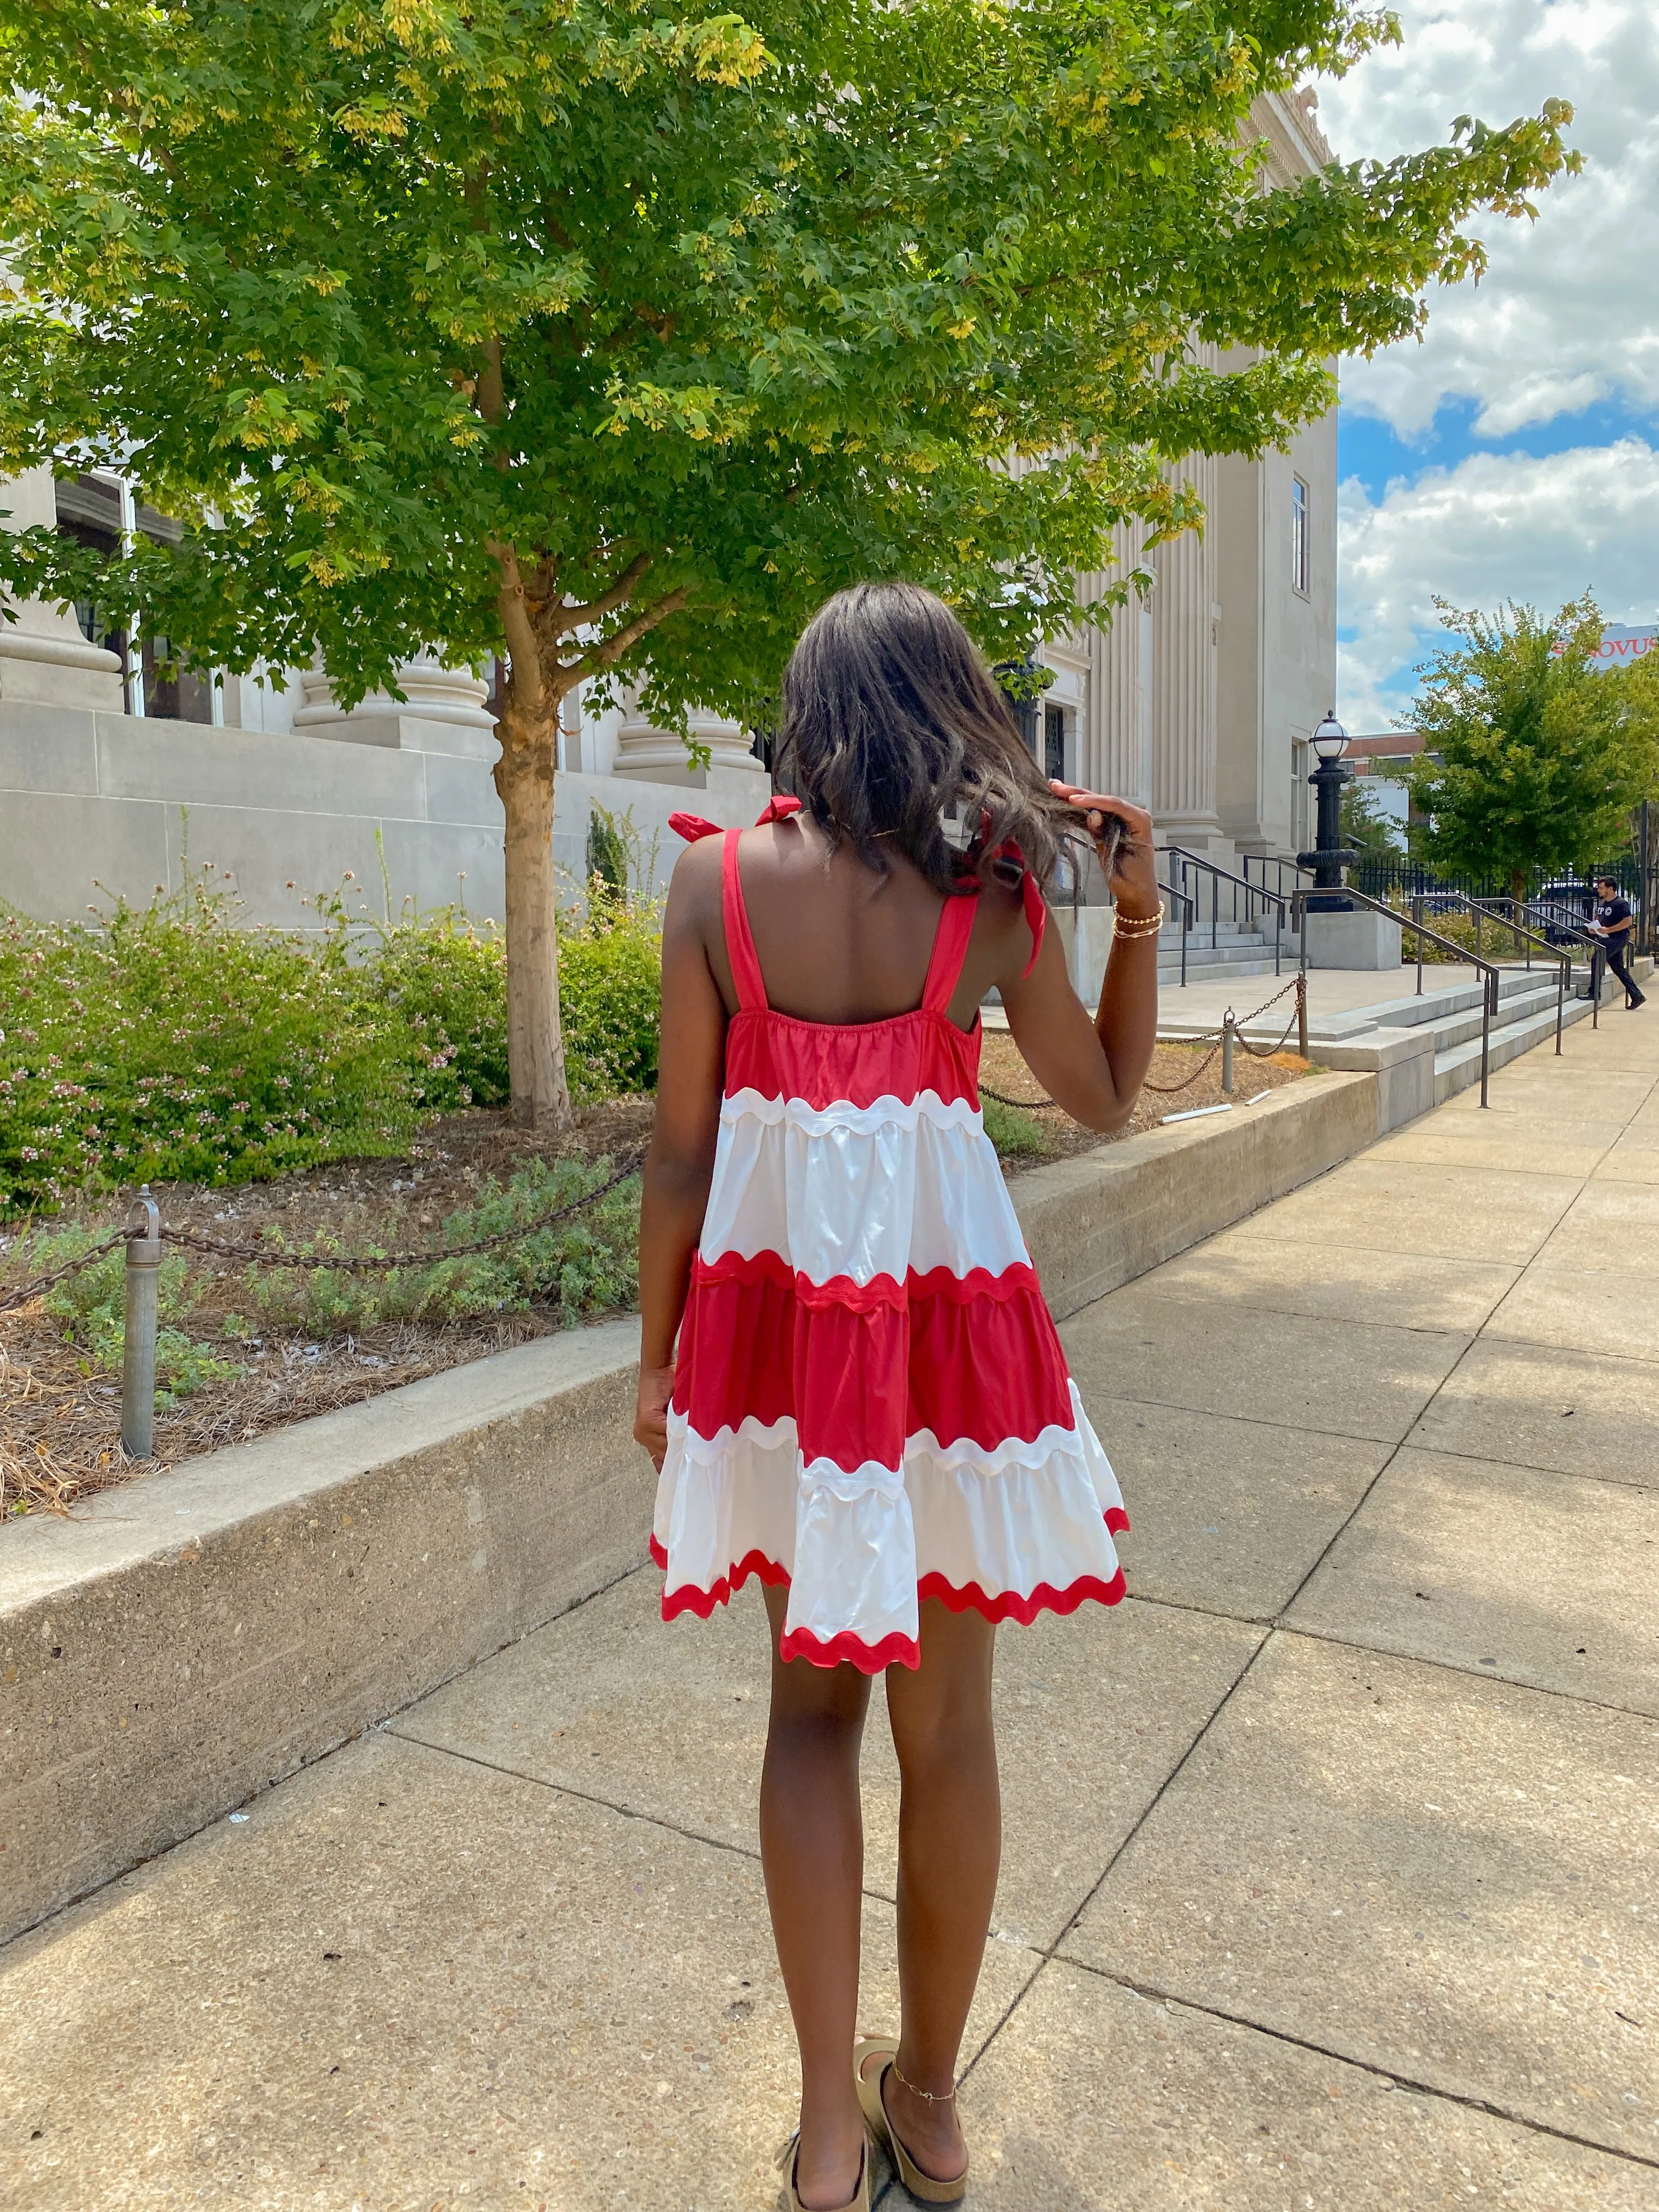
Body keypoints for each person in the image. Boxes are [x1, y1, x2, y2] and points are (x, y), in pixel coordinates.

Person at [633, 581, 1160, 2212]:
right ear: (952, 709)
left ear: (806, 707)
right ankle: (926, 2108)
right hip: (945, 1359)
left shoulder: (713, 888)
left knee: (806, 1719)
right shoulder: (992, 895)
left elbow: (678, 1150)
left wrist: (656, 1362)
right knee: (952, 1735)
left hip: (785, 1349)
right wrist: (1131, 912)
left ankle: (823, 2134)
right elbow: (1108, 1103)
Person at [1590, 875, 1645, 1009]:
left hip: (1617, 938)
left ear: (1611, 888)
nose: (1599, 890)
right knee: (1619, 969)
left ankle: (1594, 992)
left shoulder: (1620, 903)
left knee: (1597, 959)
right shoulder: (1602, 903)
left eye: (1601, 888)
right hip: (1605, 937)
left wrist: (1609, 930)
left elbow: (1628, 922)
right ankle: (1637, 996)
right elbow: (1600, 919)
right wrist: (1594, 928)